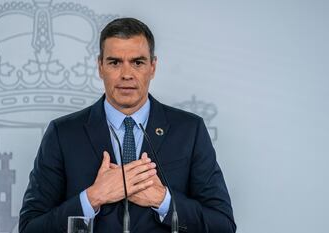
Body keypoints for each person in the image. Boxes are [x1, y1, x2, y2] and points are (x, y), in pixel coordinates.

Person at [19, 17, 236, 233]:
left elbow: (223, 225)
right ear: (100, 66)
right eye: (114, 62)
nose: (126, 74)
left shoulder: (190, 130)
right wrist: (93, 197)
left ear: (152, 67)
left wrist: (164, 200)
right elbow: (30, 227)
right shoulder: (63, 133)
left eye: (137, 62)